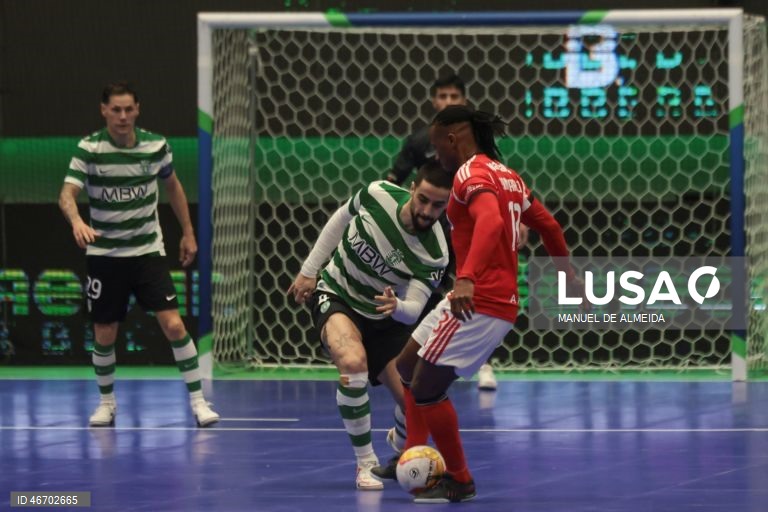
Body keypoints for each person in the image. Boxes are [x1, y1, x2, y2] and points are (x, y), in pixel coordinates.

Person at [374, 105, 585, 503]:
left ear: (451, 139)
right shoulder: (509, 176)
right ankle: (410, 456)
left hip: (479, 302)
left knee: (428, 389)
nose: (436, 157)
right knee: (405, 364)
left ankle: (460, 479)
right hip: (478, 299)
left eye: (437, 147)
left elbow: (488, 221)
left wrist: (467, 276)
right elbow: (550, 226)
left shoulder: (470, 173)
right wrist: (569, 276)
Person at [58, 82, 219, 428]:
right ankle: (106, 403)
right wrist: (76, 222)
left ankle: (198, 402)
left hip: (147, 250)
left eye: (129, 109)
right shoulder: (89, 149)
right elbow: (67, 193)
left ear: (138, 109)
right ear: (104, 110)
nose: (122, 116)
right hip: (104, 255)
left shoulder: (155, 146)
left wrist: (188, 232)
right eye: (115, 109)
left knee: (174, 324)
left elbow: (173, 186)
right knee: (105, 331)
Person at [288, 162, 452, 490]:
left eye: (438, 205)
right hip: (338, 295)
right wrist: (309, 269)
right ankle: (366, 462)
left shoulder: (435, 253)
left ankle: (400, 436)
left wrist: (398, 307)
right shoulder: (378, 194)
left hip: (385, 318)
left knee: (417, 399)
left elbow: (414, 310)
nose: (427, 211)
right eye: (422, 199)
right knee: (352, 362)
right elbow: (340, 220)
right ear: (412, 189)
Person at [386, 73, 525, 392]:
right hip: (429, 232)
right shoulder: (421, 141)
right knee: (429, 295)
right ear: (434, 102)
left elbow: (505, 191)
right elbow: (396, 179)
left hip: (468, 233)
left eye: (454, 97)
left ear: (464, 102)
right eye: (442, 97)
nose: (447, 102)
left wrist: (521, 221)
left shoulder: (480, 153)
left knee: (474, 297)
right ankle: (418, 363)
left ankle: (483, 364)